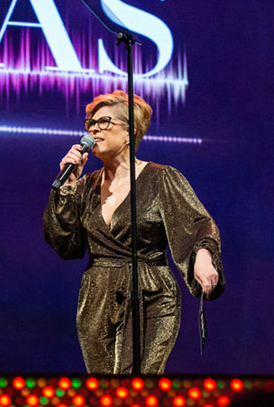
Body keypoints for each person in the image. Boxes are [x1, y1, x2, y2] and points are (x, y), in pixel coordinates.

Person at [43, 90, 224, 374]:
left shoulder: (160, 177)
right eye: (90, 124)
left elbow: (197, 223)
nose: (93, 130)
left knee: (136, 383)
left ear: (130, 132)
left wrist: (203, 255)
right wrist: (67, 186)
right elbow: (66, 244)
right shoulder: (85, 185)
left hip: (150, 292)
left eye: (104, 122)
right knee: (104, 389)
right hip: (97, 296)